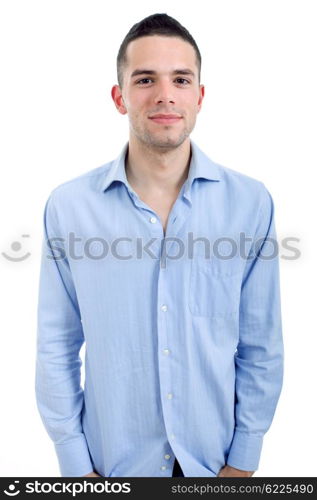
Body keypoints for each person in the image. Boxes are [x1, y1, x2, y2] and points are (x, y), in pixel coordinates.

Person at [35, 13, 284, 478]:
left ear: (200, 96)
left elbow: (261, 344)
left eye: (181, 79)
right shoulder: (69, 208)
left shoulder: (250, 204)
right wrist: (75, 466)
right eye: (145, 78)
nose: (165, 94)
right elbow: (56, 344)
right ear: (119, 96)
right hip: (109, 471)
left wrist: (243, 464)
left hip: (216, 471)